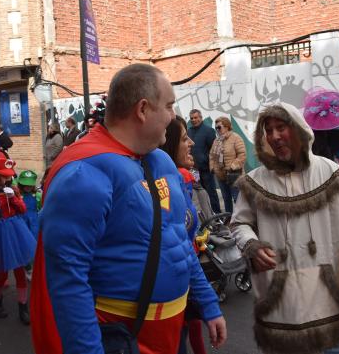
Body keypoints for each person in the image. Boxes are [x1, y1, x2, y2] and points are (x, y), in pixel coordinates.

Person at [30, 64, 226, 354]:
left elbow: (179, 241)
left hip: (173, 333)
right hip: (122, 338)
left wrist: (208, 304)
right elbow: (69, 281)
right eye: (169, 106)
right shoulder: (83, 173)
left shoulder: (162, 162)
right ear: (143, 109)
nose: (173, 116)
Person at [230, 102, 339, 354]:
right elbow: (239, 223)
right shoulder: (255, 181)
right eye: (268, 130)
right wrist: (251, 245)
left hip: (327, 296)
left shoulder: (331, 173)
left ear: (299, 129)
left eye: (281, 127)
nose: (275, 136)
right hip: (280, 300)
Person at [160, 116, 207, 354]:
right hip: (165, 303)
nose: (191, 143)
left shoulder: (179, 178)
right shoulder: (168, 184)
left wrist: (209, 303)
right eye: (185, 138)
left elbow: (185, 244)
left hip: (186, 281)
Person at [0, 158, 35, 324]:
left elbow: (23, 210)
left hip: (17, 233)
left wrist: (14, 198)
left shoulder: (14, 190)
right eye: (4, 176)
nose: (8, 179)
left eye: (10, 176)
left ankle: (23, 306)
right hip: (1, 236)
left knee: (19, 271)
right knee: (2, 273)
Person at [209, 116, 246, 214]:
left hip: (234, 175)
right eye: (216, 128)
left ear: (227, 126)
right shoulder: (216, 141)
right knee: (226, 199)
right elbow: (211, 156)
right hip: (221, 176)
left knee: (237, 199)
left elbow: (242, 155)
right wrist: (213, 167)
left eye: (219, 127)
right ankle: (229, 219)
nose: (217, 129)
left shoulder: (236, 138)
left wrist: (233, 166)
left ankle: (240, 220)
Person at [187, 109, 221, 214]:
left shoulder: (209, 131)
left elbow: (214, 150)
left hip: (206, 169)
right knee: (198, 195)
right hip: (194, 171)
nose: (194, 120)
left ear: (201, 118)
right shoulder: (188, 132)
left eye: (196, 117)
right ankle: (206, 217)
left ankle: (218, 215)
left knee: (211, 193)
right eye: (192, 118)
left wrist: (207, 161)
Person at [17, 170, 41, 239]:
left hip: (34, 222)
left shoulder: (37, 195)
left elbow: (40, 208)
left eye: (30, 185)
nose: (28, 187)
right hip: (21, 221)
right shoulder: (18, 195)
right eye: (25, 185)